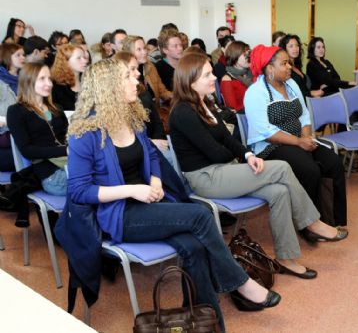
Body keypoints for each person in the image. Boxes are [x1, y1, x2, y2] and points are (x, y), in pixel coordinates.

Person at [65, 59, 280, 329]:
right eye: (128, 77)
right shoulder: (85, 132)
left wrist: (154, 180)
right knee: (201, 215)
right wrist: (134, 189)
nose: (136, 81)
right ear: (109, 87)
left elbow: (153, 157)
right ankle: (239, 282)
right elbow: (79, 191)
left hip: (149, 203)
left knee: (194, 246)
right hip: (120, 214)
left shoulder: (131, 118)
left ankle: (209, 324)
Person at [170, 52, 347, 278]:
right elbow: (215, 153)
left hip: (224, 170)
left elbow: (228, 140)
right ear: (190, 81)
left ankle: (286, 258)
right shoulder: (183, 112)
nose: (214, 77)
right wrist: (242, 159)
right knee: (282, 167)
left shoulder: (206, 104)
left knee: (280, 191)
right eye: (207, 74)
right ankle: (312, 222)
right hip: (206, 177)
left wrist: (247, 155)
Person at [244, 45, 348, 227]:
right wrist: (299, 142)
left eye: (289, 63)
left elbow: (304, 115)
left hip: (298, 141)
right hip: (271, 147)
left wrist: (307, 138)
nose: (289, 67)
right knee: (310, 169)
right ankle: (308, 224)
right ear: (269, 68)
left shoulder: (291, 85)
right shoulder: (255, 92)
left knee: (334, 162)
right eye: (284, 63)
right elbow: (265, 132)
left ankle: (332, 218)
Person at [7, 63, 69, 197]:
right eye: (42, 79)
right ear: (28, 80)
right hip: (51, 175)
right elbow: (27, 150)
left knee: (107, 174)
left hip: (70, 166)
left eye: (49, 78)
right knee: (102, 180)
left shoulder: (56, 108)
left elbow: (68, 136)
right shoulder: (16, 111)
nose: (49, 83)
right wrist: (65, 150)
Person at [114, 51, 168, 154]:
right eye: (133, 69)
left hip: (156, 142)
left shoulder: (142, 90)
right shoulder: (120, 102)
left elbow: (156, 120)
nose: (138, 73)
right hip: (142, 148)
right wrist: (151, 143)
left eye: (137, 68)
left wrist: (161, 140)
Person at [0, 43, 25, 171]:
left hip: (23, 131)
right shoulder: (1, 82)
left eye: (23, 55)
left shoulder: (26, 79)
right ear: (8, 57)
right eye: (18, 55)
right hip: (5, 133)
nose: (23, 58)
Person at [279, 34, 323, 99]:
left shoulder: (296, 65)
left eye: (297, 45)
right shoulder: (285, 68)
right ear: (285, 49)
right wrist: (311, 93)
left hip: (306, 99)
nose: (295, 49)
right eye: (291, 46)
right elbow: (289, 92)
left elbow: (303, 87)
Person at [51, 43, 89, 111]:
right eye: (79, 58)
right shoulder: (56, 87)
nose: (85, 61)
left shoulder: (88, 80)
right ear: (66, 62)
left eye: (84, 57)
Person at [220, 41, 253, 112]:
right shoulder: (227, 80)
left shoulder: (251, 72)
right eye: (245, 55)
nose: (248, 57)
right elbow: (233, 109)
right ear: (235, 56)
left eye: (248, 54)